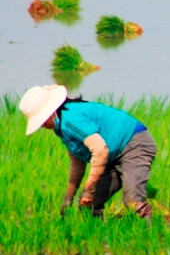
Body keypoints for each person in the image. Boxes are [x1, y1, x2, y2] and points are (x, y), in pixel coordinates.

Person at [19, 85, 156, 220]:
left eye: (41, 120)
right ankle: (97, 236)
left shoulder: (71, 119)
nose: (41, 125)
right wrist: (68, 198)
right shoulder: (61, 127)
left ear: (50, 111)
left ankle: (154, 232)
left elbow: (100, 151)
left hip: (134, 144)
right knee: (88, 205)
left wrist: (89, 190)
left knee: (132, 201)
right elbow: (77, 162)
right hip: (112, 155)